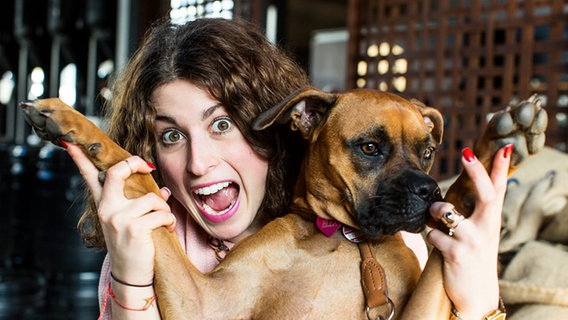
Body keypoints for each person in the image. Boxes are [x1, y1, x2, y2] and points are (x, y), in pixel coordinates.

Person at [65, 17, 510, 320]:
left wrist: (480, 300)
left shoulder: (389, 234)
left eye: (222, 124)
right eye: (171, 135)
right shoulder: (139, 245)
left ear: (271, 126)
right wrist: (131, 274)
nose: (199, 163)